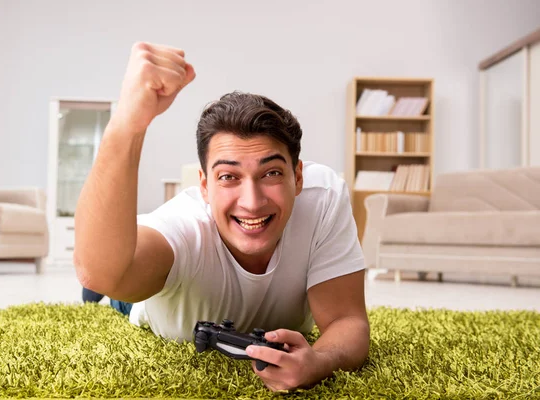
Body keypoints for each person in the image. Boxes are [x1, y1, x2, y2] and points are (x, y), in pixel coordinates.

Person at [74, 41, 370, 392]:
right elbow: (100, 272)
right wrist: (128, 124)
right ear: (204, 185)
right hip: (149, 302)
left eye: (272, 173)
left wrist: (319, 361)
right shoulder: (184, 226)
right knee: (109, 289)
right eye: (228, 177)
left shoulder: (323, 198)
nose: (252, 202)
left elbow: (346, 320)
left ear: (298, 177)